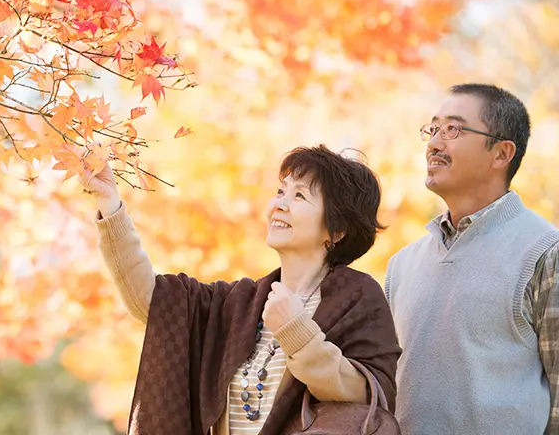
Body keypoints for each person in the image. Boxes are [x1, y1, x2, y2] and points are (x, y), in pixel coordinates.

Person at [84, 145, 401, 435]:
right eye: (280, 191)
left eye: (300, 196)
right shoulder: (239, 302)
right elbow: (152, 300)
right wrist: (110, 206)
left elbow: (369, 394)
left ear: (337, 229)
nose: (279, 204)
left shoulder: (359, 298)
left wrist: (298, 333)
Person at [385, 83, 559, 435]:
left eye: (453, 129)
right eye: (433, 129)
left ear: (501, 154)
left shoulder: (545, 252)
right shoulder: (402, 265)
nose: (434, 143)